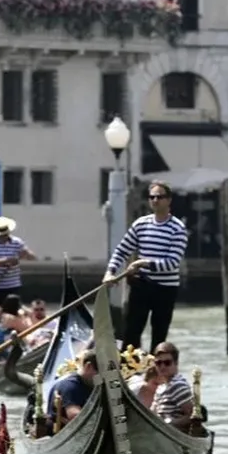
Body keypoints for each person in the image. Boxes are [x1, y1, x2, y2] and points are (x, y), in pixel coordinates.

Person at [104, 180, 189, 353]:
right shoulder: (140, 224)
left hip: (165, 289)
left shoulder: (178, 229)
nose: (155, 200)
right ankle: (129, 372)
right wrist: (110, 272)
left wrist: (143, 263)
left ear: (169, 200)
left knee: (159, 336)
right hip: (142, 285)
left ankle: (154, 374)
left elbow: (172, 263)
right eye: (152, 197)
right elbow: (121, 251)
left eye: (160, 197)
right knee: (131, 333)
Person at [44, 349, 99, 433]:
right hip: (63, 434)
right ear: (88, 366)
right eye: (99, 373)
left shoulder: (88, 384)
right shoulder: (70, 386)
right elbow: (75, 416)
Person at [0, 217, 36, 305]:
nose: (4, 236)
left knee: (13, 310)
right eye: (2, 234)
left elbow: (32, 257)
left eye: (5, 234)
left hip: (13, 284)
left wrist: (26, 253)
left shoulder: (17, 242)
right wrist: (8, 261)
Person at [151, 341, 195, 432]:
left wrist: (168, 424)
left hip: (172, 435)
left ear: (176, 363)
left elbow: (192, 417)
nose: (162, 366)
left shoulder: (177, 386)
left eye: (167, 363)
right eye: (158, 363)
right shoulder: (161, 387)